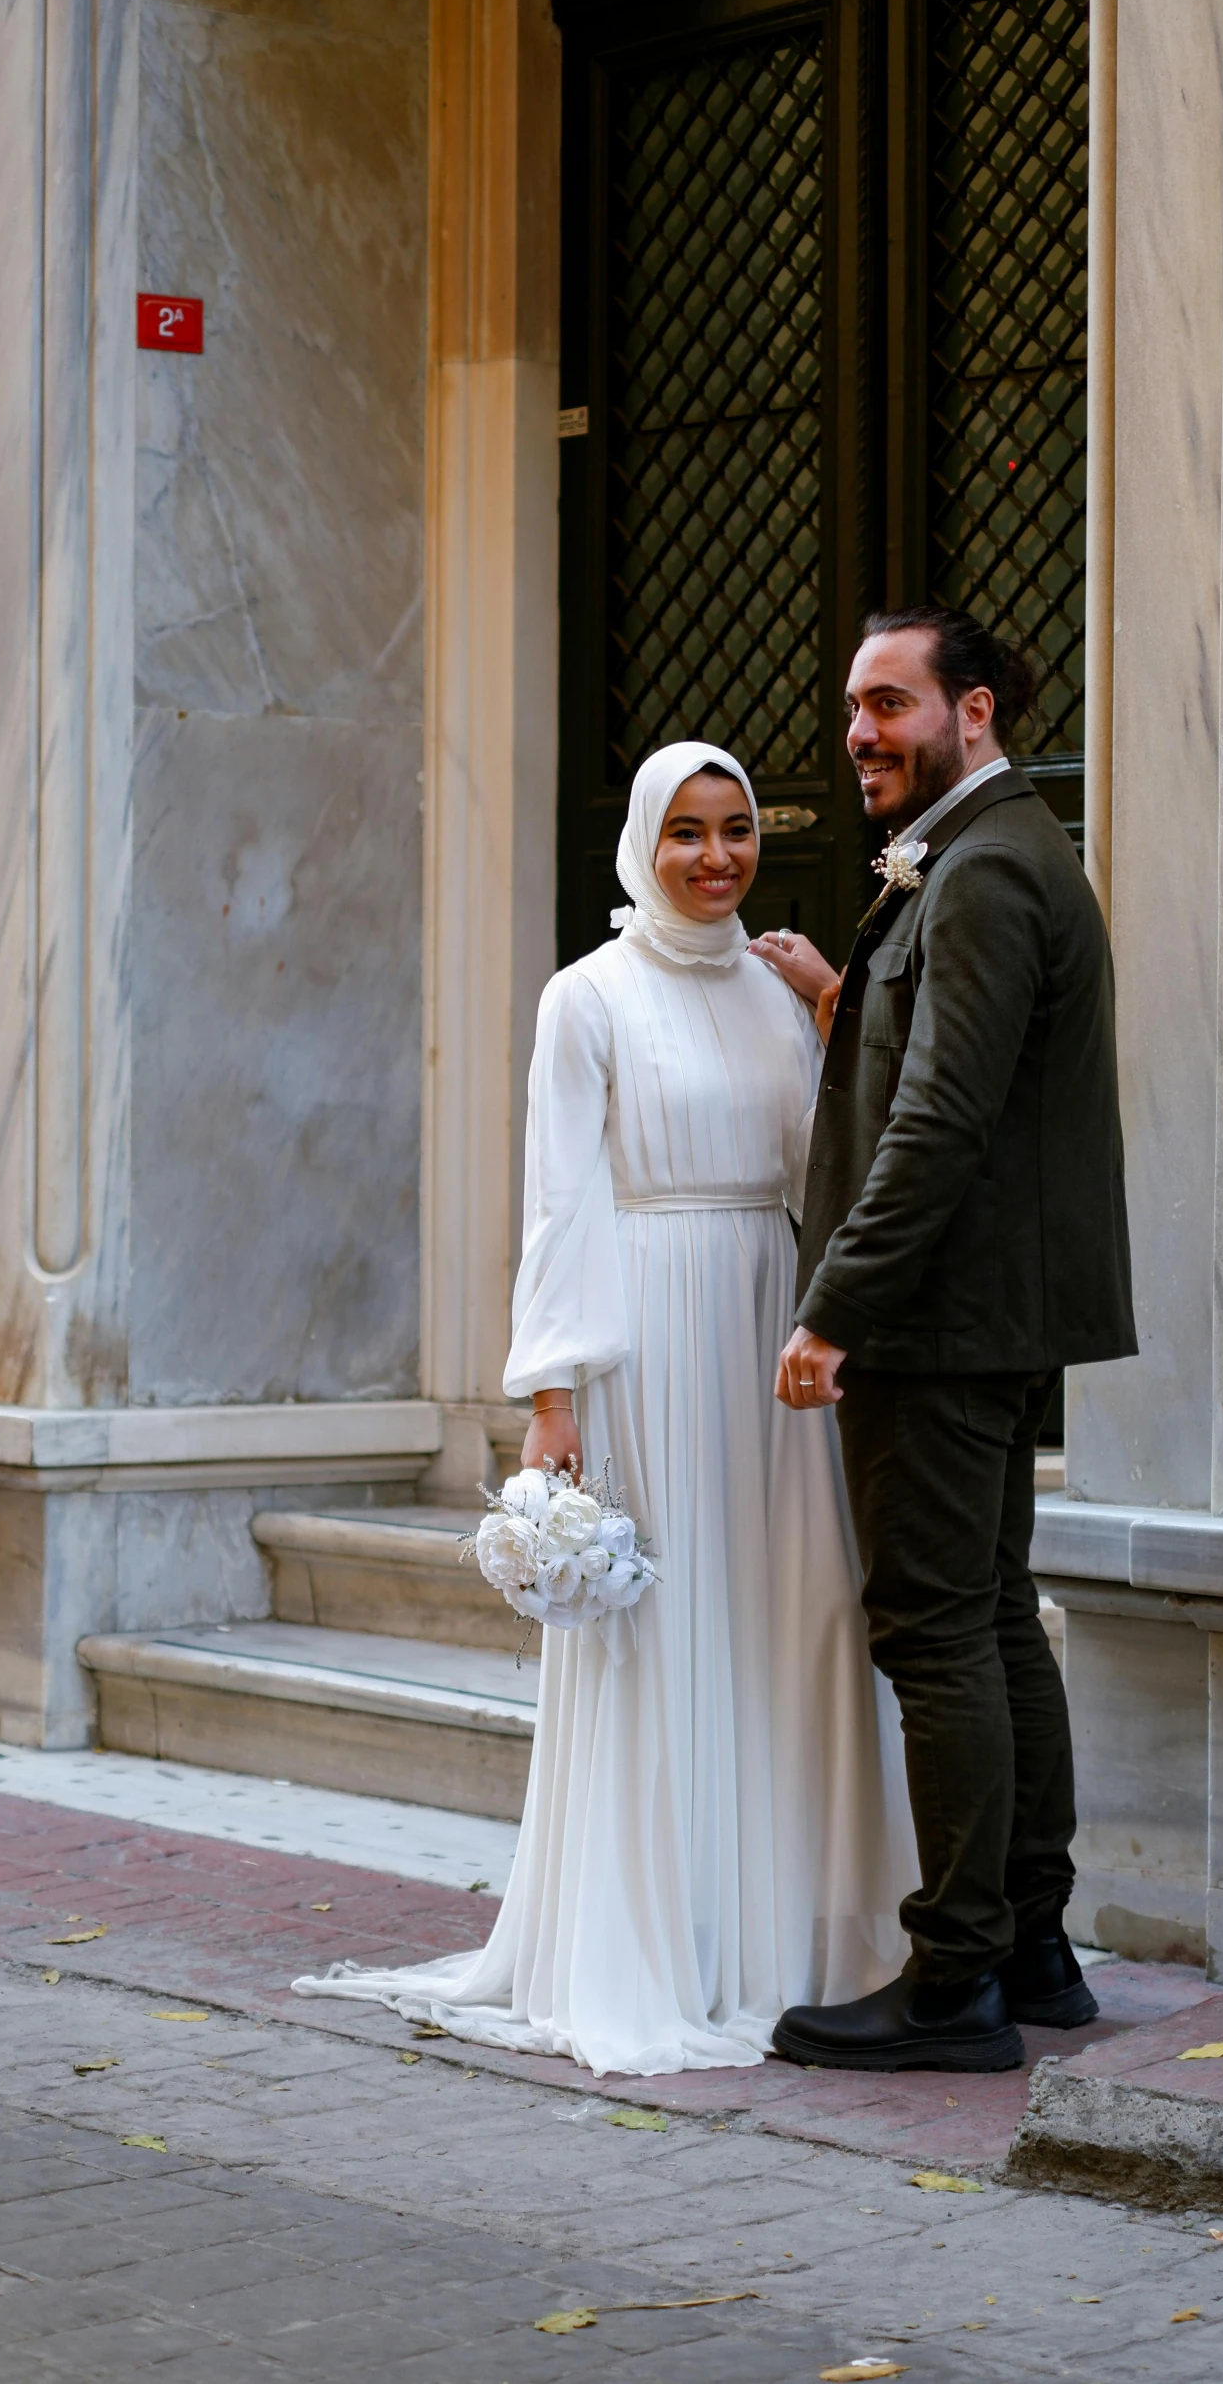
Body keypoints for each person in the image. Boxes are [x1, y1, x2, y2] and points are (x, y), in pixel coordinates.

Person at [294, 740, 913, 2076]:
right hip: (647, 1339)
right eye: (686, 830)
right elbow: (561, 1199)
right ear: (643, 839)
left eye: (736, 828)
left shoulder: (772, 989)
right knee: (666, 1634)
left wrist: (829, 1012)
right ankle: (661, 1946)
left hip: (773, 1337)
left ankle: (787, 1943)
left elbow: (829, 1171)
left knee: (788, 1618)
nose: (714, 856)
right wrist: (554, 1396)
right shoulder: (585, 999)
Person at [750, 606, 1136, 2075]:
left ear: (972, 711)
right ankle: (1032, 1944)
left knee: (934, 1628)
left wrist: (837, 1307)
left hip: (937, 1316)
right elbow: (947, 1061)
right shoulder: (994, 854)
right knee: (985, 1608)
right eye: (855, 703)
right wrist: (842, 1001)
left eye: (890, 702)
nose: (860, 728)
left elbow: (943, 1119)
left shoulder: (983, 871)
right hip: (987, 1308)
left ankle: (955, 1974)